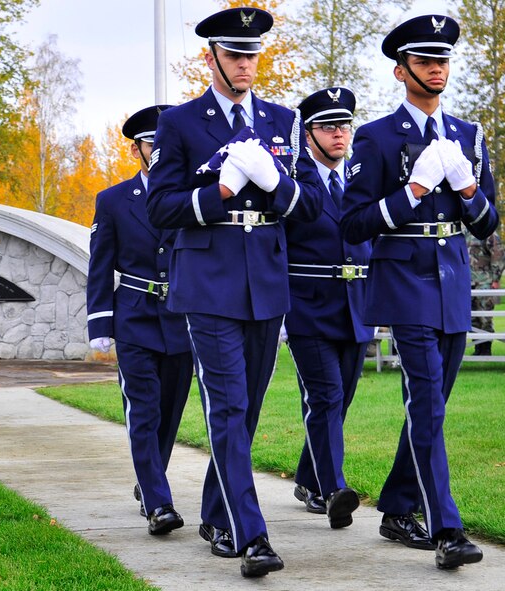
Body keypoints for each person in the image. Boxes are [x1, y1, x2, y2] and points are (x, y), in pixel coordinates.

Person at [146, 7, 324, 578]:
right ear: (213, 57)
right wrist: (219, 191)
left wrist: (277, 184)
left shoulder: (283, 120)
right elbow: (159, 208)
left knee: (244, 412)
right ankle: (253, 536)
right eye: (236, 54)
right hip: (208, 278)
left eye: (253, 54)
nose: (246, 64)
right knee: (227, 406)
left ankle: (217, 514)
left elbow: (313, 211)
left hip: (266, 280)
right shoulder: (181, 123)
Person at [341, 14, 499, 570]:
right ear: (400, 69)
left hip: (453, 279)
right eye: (426, 60)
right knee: (427, 403)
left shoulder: (469, 135)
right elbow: (354, 222)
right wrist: (411, 191)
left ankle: (397, 505)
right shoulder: (377, 137)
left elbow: (486, 224)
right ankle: (446, 529)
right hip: (405, 281)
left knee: (431, 408)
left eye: (444, 60)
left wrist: (468, 186)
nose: (438, 69)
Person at [86, 105, 194, 537]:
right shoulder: (113, 201)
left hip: (183, 317)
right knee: (144, 410)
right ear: (138, 149)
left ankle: (150, 480)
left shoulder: (192, 196)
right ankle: (158, 502)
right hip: (134, 315)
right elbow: (99, 265)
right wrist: (100, 325)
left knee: (170, 414)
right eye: (152, 143)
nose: (160, 150)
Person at [284, 87, 371, 529]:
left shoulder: (358, 179)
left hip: (356, 308)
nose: (339, 134)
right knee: (326, 397)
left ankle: (306, 477)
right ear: (309, 133)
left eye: (344, 126)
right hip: (307, 308)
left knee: (341, 401)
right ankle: (332, 489)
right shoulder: (294, 182)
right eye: (328, 127)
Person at [468, 233, 504, 355]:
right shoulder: (461, 231)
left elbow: (498, 255)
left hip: (485, 281)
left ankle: (485, 349)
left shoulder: (488, 232)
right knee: (471, 317)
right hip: (465, 282)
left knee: (485, 316)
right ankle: (477, 347)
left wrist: (495, 279)